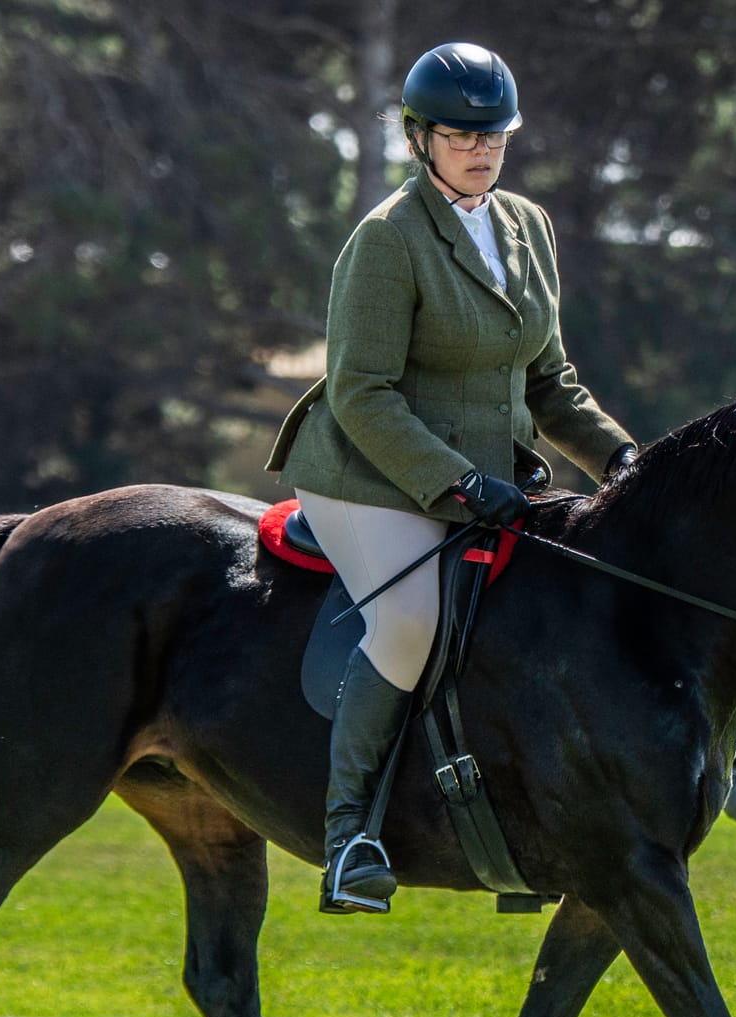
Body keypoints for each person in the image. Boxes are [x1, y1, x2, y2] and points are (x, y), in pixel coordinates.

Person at [266, 41, 638, 916]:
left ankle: (518, 824)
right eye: (461, 135)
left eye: (495, 136)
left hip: (488, 474)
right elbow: (361, 392)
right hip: (368, 471)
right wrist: (461, 484)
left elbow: (548, 380)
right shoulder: (388, 239)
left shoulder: (528, 227)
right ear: (417, 138)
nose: (481, 150)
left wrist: (621, 458)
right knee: (407, 621)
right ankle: (349, 834)